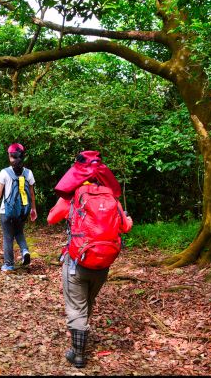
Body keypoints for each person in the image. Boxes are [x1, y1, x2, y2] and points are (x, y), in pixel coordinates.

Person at [47, 151, 133, 368]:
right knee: (87, 301)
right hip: (103, 264)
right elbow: (125, 226)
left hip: (77, 260)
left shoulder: (74, 196)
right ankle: (81, 337)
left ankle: (77, 353)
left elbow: (51, 219)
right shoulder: (110, 197)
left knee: (76, 305)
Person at [0, 143, 37, 272]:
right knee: (19, 232)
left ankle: (9, 264)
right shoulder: (28, 173)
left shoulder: (4, 172)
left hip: (6, 211)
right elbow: (32, 194)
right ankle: (25, 250)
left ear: (10, 156)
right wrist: (33, 209)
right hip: (22, 210)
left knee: (8, 237)